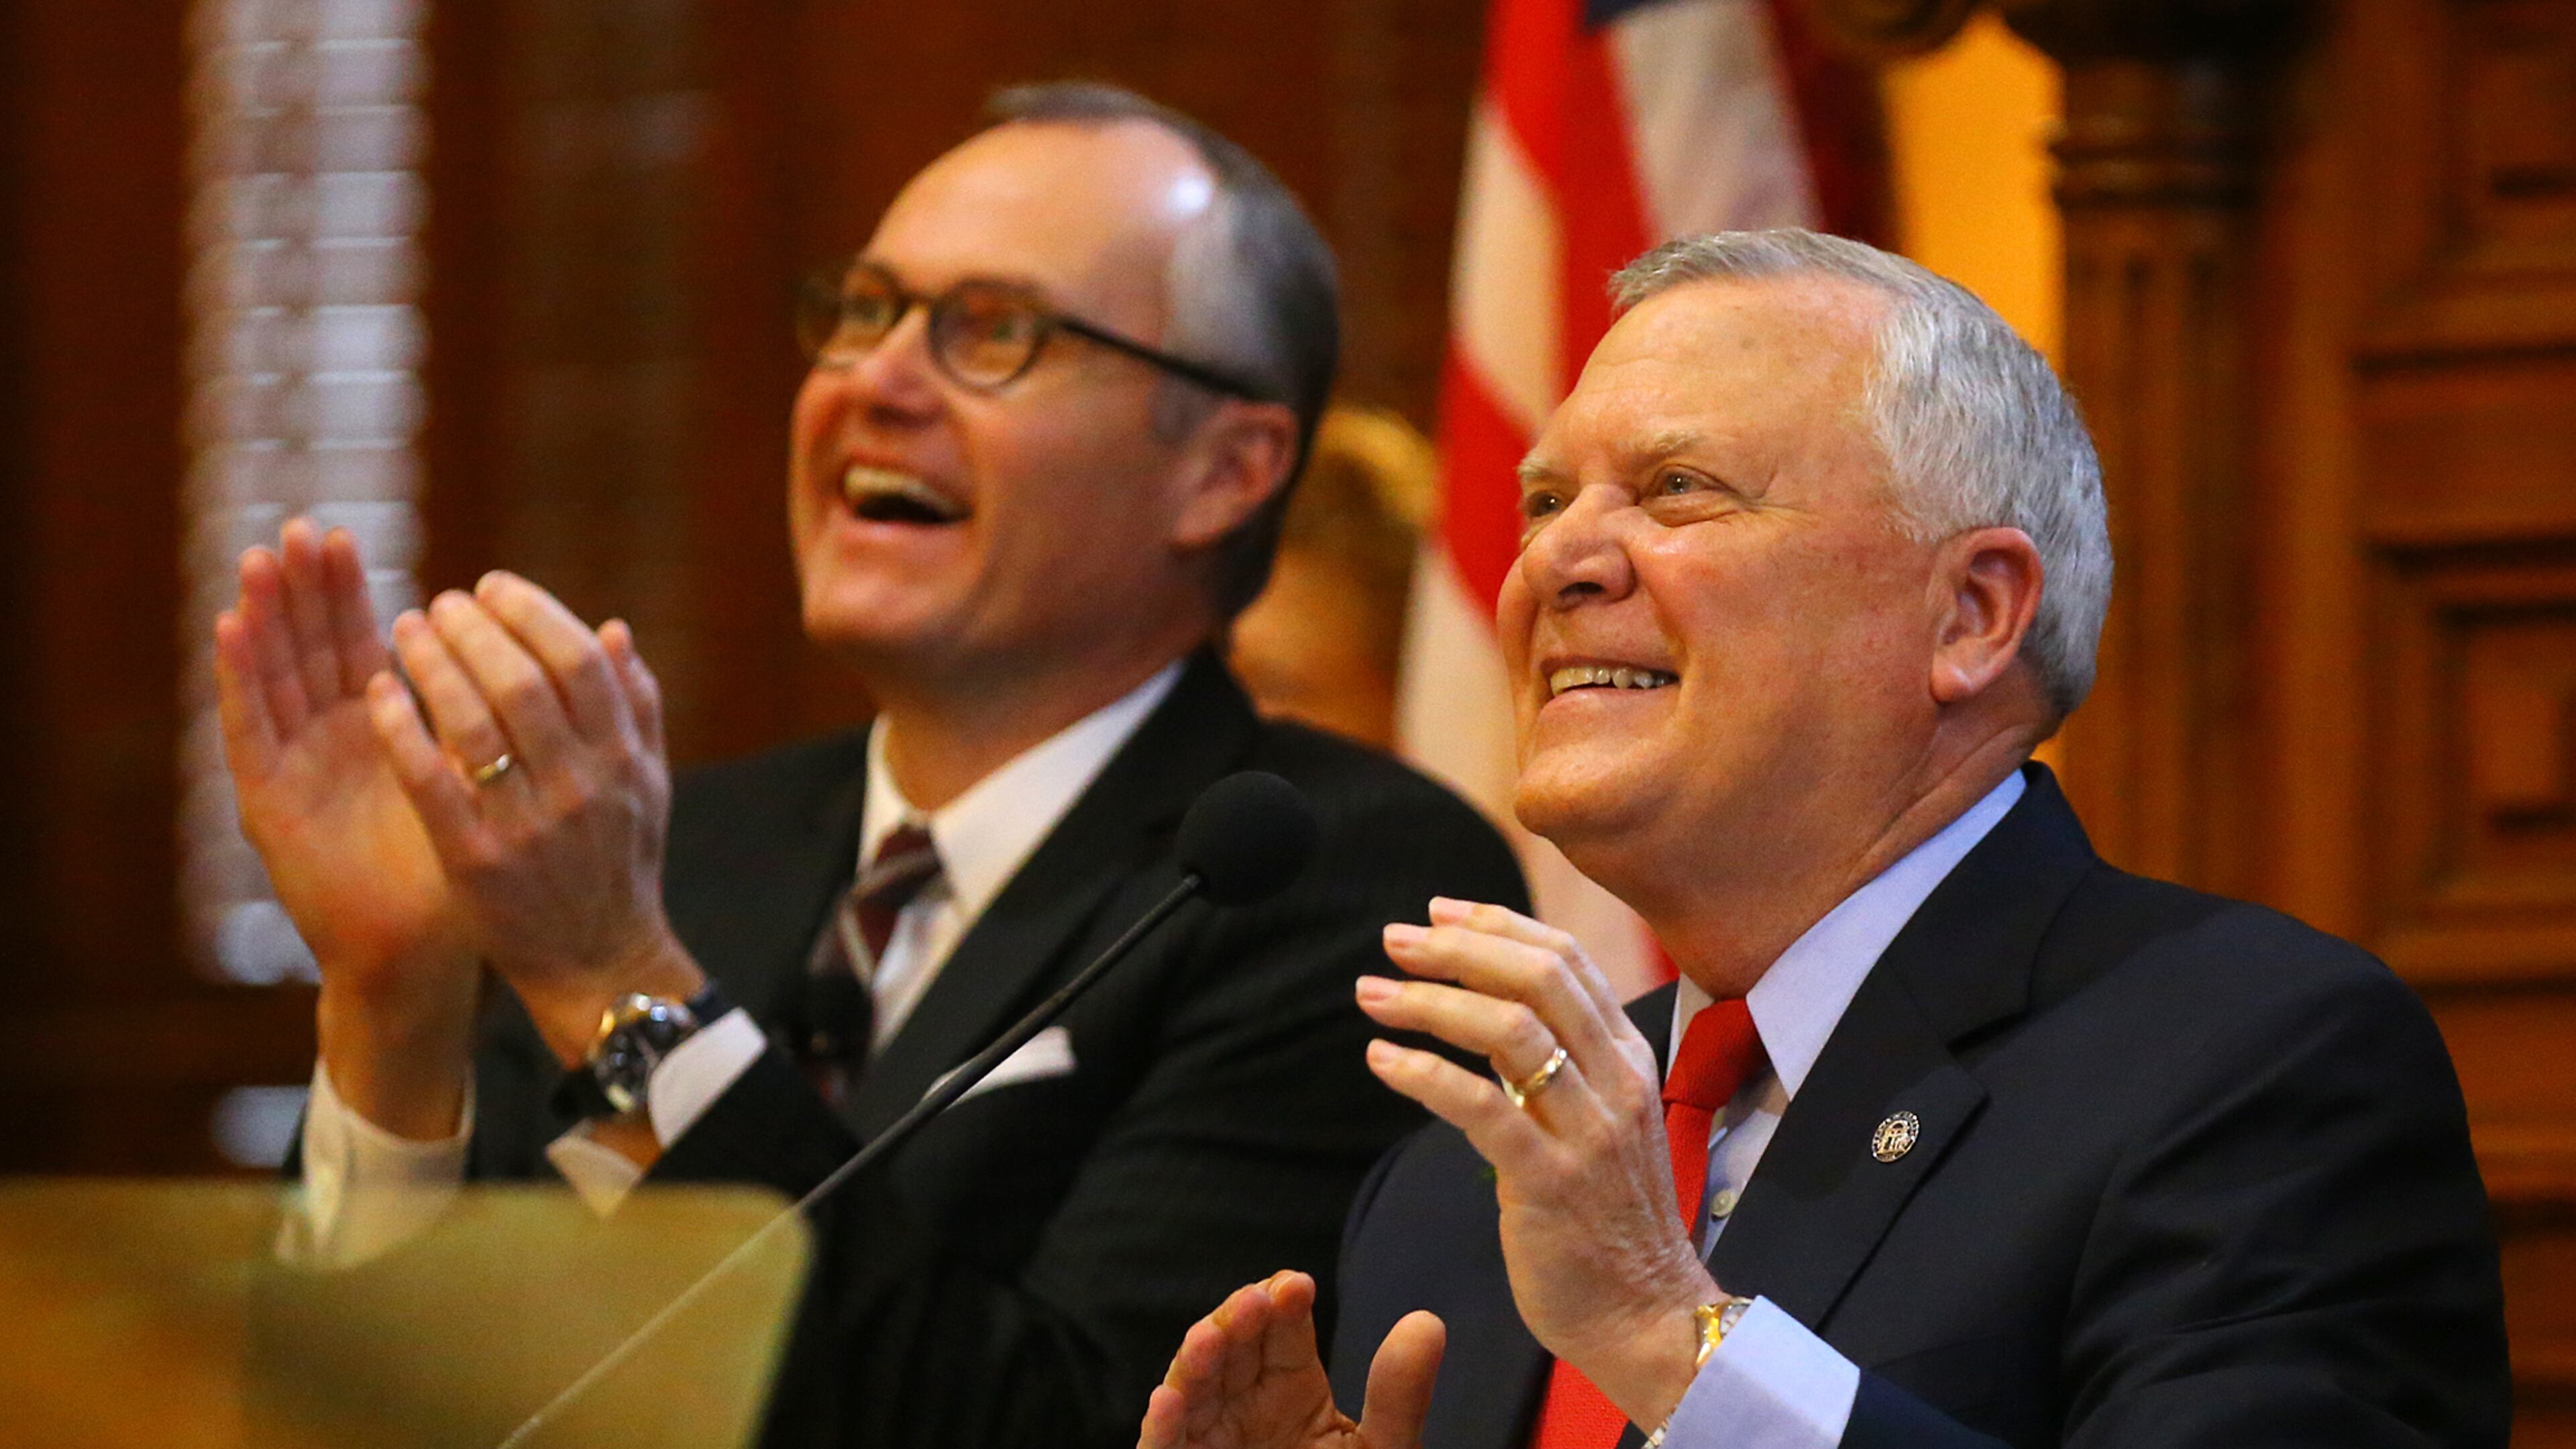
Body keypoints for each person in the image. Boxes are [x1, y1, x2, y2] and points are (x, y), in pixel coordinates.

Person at [215, 83, 1526, 1448]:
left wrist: (619, 987)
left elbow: (1081, 1426)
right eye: (862, 312)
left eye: (994, 332)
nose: (872, 382)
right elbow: (367, 1413)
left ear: (1223, 469)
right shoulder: (685, 853)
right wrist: (393, 1001)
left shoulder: (1347, 887)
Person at [1136, 230, 2510, 1449]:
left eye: (1678, 488)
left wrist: (1672, 1339)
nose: (1557, 561)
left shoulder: (2248, 1066)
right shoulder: (1474, 1172)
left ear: (1972, 614)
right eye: (1545, 503)